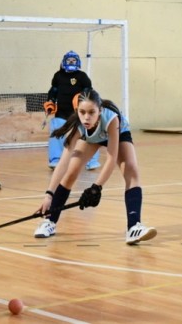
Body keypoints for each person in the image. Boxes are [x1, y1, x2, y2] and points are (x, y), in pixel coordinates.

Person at [34, 88, 157, 245]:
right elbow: (62, 162)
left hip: (117, 134)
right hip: (92, 138)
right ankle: (50, 221)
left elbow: (111, 158)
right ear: (77, 111)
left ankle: (133, 227)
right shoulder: (78, 127)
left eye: (92, 112)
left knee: (131, 170)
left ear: (100, 111)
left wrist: (96, 188)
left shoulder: (112, 119)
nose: (86, 117)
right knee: (71, 172)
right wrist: (48, 195)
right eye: (82, 112)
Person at [45, 50, 100, 170]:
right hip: (62, 112)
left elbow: (89, 92)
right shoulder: (58, 76)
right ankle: (56, 159)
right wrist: (50, 102)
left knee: (89, 133)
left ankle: (91, 160)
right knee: (56, 132)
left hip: (79, 113)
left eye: (73, 60)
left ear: (78, 62)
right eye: (68, 60)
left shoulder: (82, 76)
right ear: (64, 62)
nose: (71, 62)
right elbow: (53, 90)